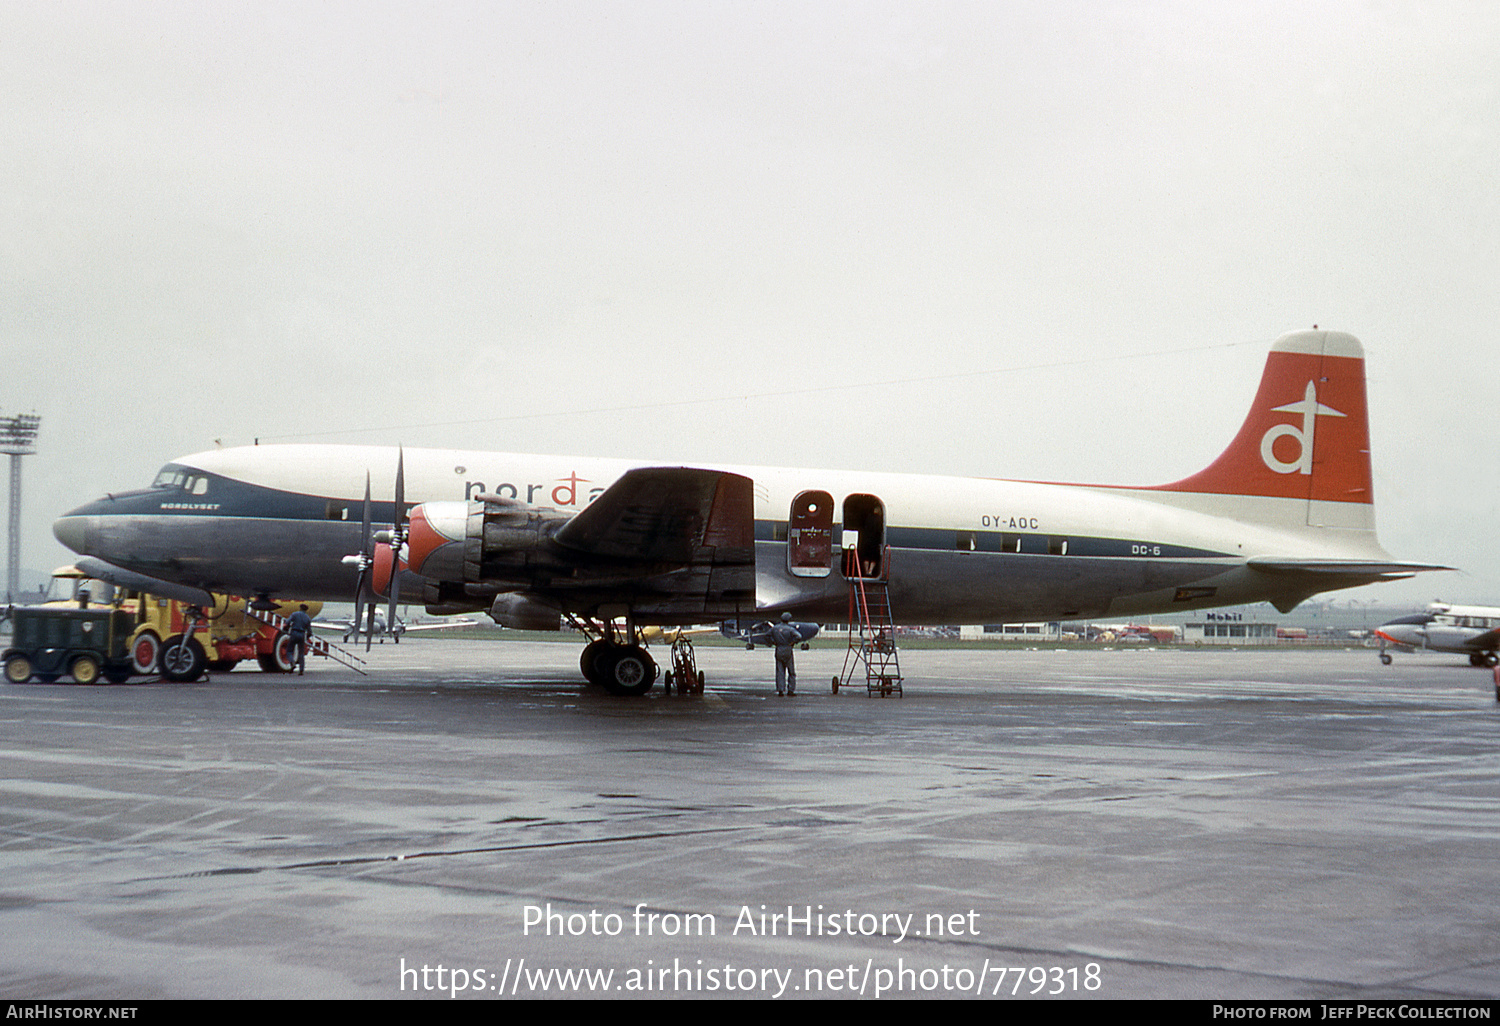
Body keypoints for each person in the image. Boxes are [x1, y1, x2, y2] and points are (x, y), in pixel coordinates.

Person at [769, 612, 802, 696]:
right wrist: (792, 642)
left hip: (779, 649)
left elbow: (767, 635)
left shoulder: (775, 628)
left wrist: (773, 642)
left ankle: (780, 690)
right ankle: (790, 690)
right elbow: (799, 636)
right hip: (787, 649)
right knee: (791, 671)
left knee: (780, 671)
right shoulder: (790, 629)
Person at [286, 604, 314, 675]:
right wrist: (307, 637)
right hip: (302, 634)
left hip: (294, 633)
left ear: (300, 608)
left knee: (289, 651)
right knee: (301, 653)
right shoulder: (307, 618)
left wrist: (288, 628)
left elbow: (287, 622)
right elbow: (309, 631)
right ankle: (301, 670)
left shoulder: (295, 614)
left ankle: (292, 662)